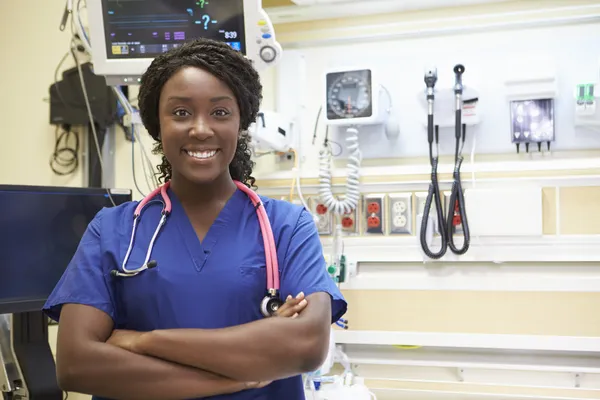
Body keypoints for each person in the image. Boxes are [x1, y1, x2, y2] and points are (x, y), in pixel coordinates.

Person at [42, 37, 347, 400]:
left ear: (241, 121)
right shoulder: (113, 230)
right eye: (181, 112)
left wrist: (143, 340)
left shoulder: (286, 226)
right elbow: (77, 364)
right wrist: (235, 376)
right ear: (158, 123)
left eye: (220, 112)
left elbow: (308, 345)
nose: (201, 129)